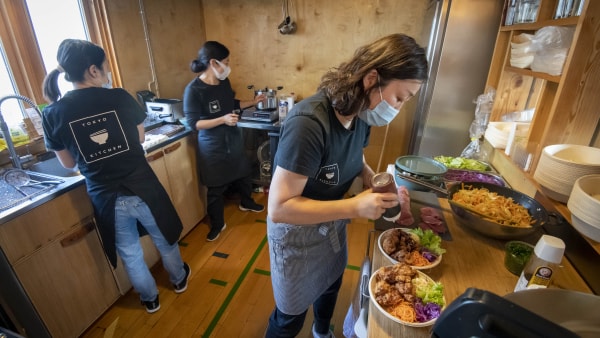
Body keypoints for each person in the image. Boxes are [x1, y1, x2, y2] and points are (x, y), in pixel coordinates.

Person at [265, 33, 428, 337]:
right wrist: (354, 206)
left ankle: (322, 331)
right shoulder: (309, 123)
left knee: (330, 285)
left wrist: (369, 177)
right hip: (295, 234)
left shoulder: (361, 115)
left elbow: (355, 155)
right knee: (290, 315)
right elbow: (279, 207)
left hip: (331, 223)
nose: (398, 109)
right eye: (398, 98)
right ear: (371, 79)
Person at [41, 39, 190, 314]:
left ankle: (149, 299)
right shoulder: (118, 97)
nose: (108, 71)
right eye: (105, 66)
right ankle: (179, 279)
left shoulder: (52, 113)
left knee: (130, 252)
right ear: (93, 70)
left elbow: (68, 162)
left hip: (105, 196)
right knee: (163, 237)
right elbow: (140, 138)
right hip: (143, 187)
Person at [183, 41, 265, 242]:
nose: (229, 66)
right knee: (216, 186)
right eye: (226, 61)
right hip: (212, 144)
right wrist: (222, 119)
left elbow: (233, 104)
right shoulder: (193, 90)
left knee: (244, 173)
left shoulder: (224, 83)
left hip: (232, 138)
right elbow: (194, 123)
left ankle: (247, 202)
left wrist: (253, 102)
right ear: (213, 62)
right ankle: (218, 224)